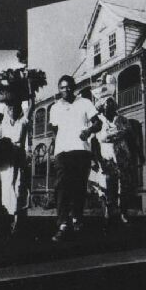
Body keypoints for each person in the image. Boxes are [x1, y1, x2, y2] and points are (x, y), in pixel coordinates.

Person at [48, 76, 95, 241]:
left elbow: (97, 123)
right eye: (62, 87)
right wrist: (57, 146)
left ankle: (77, 220)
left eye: (68, 87)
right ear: (59, 89)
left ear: (74, 87)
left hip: (81, 150)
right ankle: (62, 224)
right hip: (62, 152)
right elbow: (54, 130)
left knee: (79, 187)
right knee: (61, 186)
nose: (65, 90)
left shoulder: (85, 103)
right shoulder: (54, 108)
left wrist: (88, 131)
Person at [91, 89, 129, 229]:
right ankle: (106, 213)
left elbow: (129, 137)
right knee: (105, 185)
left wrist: (138, 154)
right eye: (106, 103)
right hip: (105, 154)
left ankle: (122, 213)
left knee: (122, 186)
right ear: (102, 106)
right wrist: (96, 160)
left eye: (111, 102)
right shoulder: (98, 121)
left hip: (121, 155)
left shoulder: (122, 120)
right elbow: (93, 142)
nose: (109, 105)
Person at [0, 98, 30, 236]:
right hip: (6, 162)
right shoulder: (4, 124)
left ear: (19, 109)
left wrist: (30, 92)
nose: (12, 110)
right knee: (7, 189)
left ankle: (18, 221)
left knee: (18, 188)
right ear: (7, 110)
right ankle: (10, 221)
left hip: (19, 159)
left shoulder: (23, 121)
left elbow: (31, 106)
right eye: (10, 108)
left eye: (15, 108)